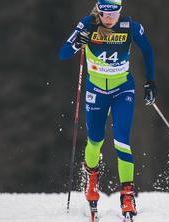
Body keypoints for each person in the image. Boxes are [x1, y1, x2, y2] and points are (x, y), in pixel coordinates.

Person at [58, 0, 156, 217]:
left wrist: (150, 81)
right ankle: (92, 178)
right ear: (98, 11)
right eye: (105, 14)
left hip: (123, 90)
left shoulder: (129, 26)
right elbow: (62, 53)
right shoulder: (87, 24)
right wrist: (77, 44)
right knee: (95, 140)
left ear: (120, 11)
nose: (110, 19)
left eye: (114, 13)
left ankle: (127, 195)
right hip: (96, 92)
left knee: (122, 140)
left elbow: (148, 49)